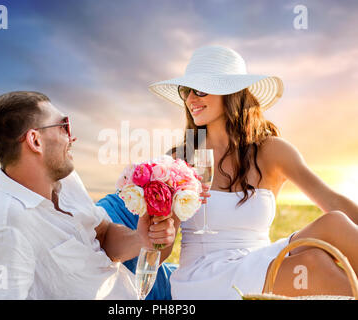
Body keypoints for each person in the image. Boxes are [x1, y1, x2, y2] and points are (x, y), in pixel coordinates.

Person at [148, 45, 358, 299]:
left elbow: (333, 200)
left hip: (259, 259)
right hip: (205, 277)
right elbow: (161, 251)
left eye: (200, 89)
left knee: (334, 222)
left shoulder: (272, 151)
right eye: (186, 90)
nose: (191, 98)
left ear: (231, 92)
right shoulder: (179, 160)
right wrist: (160, 232)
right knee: (312, 263)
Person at [0, 91, 176, 299]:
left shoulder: (65, 180)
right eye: (63, 126)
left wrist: (141, 239)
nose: (72, 137)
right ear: (35, 141)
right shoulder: (6, 226)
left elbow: (103, 235)